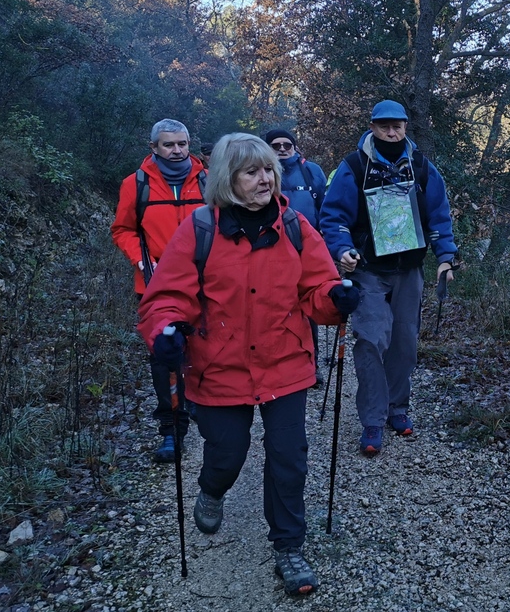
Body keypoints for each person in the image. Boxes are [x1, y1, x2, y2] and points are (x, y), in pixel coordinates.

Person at [137, 132, 360, 597]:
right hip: (219, 366)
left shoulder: (295, 226)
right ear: (227, 178)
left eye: (269, 170)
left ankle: (289, 548)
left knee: (288, 458)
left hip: (284, 363)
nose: (266, 178)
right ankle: (211, 489)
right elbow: (166, 299)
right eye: (252, 171)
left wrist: (336, 297)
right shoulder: (199, 229)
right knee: (227, 453)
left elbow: (316, 289)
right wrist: (166, 332)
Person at [319, 99, 458, 455]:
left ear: (406, 126)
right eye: (384, 126)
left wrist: (445, 257)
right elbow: (333, 217)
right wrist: (342, 249)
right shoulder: (353, 166)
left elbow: (440, 216)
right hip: (368, 271)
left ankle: (398, 407)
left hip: (409, 270)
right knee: (369, 340)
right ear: (372, 126)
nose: (391, 132)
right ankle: (372, 419)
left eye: (397, 126)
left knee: (403, 344)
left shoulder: (423, 167)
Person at [111, 118, 206, 463]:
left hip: (204, 282)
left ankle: (201, 402)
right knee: (163, 355)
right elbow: (123, 229)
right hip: (155, 285)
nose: (177, 150)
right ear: (153, 147)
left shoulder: (208, 180)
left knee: (205, 346)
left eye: (182, 143)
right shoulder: (135, 185)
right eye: (169, 144)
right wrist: (141, 260)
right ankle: (171, 430)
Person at [264, 129, 328, 385]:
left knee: (306, 307)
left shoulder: (311, 172)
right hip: (266, 248)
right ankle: (272, 363)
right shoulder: (257, 171)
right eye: (275, 145)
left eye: (286, 144)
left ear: (295, 146)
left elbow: (326, 208)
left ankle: (311, 364)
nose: (281, 149)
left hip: (305, 250)